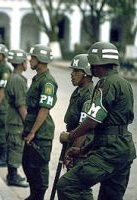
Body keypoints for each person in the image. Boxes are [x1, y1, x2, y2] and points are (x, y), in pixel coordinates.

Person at [58, 42, 136, 199]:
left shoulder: (105, 83)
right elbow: (108, 128)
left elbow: (92, 121)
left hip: (109, 152)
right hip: (123, 149)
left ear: (101, 63)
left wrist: (70, 136)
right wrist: (83, 150)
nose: (92, 69)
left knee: (67, 185)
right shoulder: (124, 83)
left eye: (93, 64)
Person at [22, 44, 57, 200]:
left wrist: (32, 132)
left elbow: (44, 109)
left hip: (41, 133)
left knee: (39, 168)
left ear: (41, 60)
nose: (30, 60)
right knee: (28, 165)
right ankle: (33, 195)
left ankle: (38, 197)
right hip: (32, 129)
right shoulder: (38, 78)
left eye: (33, 57)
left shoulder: (48, 82)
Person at [63, 54, 94, 199]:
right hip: (73, 142)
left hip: (81, 147)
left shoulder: (89, 95)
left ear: (86, 74)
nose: (72, 74)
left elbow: (84, 128)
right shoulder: (79, 91)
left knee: (80, 187)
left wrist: (72, 151)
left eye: (76, 71)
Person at [4, 49, 29, 187]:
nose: (27, 63)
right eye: (25, 61)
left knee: (13, 147)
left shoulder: (14, 77)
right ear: (20, 63)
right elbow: (21, 105)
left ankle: (12, 174)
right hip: (16, 121)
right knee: (15, 147)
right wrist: (28, 123)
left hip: (12, 119)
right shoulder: (18, 79)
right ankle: (12, 177)